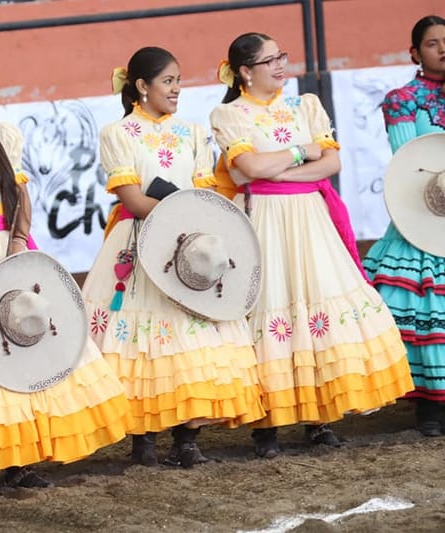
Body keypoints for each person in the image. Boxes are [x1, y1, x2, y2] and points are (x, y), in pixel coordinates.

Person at [0, 55, 131, 491]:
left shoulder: (5, 135)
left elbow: (20, 196)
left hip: (7, 248)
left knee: (22, 343)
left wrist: (16, 241)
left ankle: (19, 459)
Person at [209, 33, 414, 458]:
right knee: (270, 304)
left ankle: (320, 418)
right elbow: (249, 165)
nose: (280, 65)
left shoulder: (305, 105)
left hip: (311, 216)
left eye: (281, 56)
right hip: (263, 221)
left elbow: (331, 162)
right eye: (270, 60)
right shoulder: (230, 114)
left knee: (316, 301)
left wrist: (280, 170)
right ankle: (267, 424)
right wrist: (302, 152)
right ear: (245, 71)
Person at [80, 46, 266, 468]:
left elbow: (205, 192)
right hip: (141, 241)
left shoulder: (193, 132)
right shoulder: (118, 133)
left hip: (190, 243)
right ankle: (143, 441)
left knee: (190, 334)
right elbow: (132, 198)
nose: (177, 88)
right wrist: (181, 217)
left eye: (179, 80)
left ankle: (187, 439)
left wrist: (193, 226)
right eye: (168, 81)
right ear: (142, 86)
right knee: (140, 340)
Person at [363, 15, 445, 437]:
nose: (443, 49)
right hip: (423, 215)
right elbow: (408, 162)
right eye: (433, 43)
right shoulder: (402, 100)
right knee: (425, 306)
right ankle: (429, 406)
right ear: (415, 53)